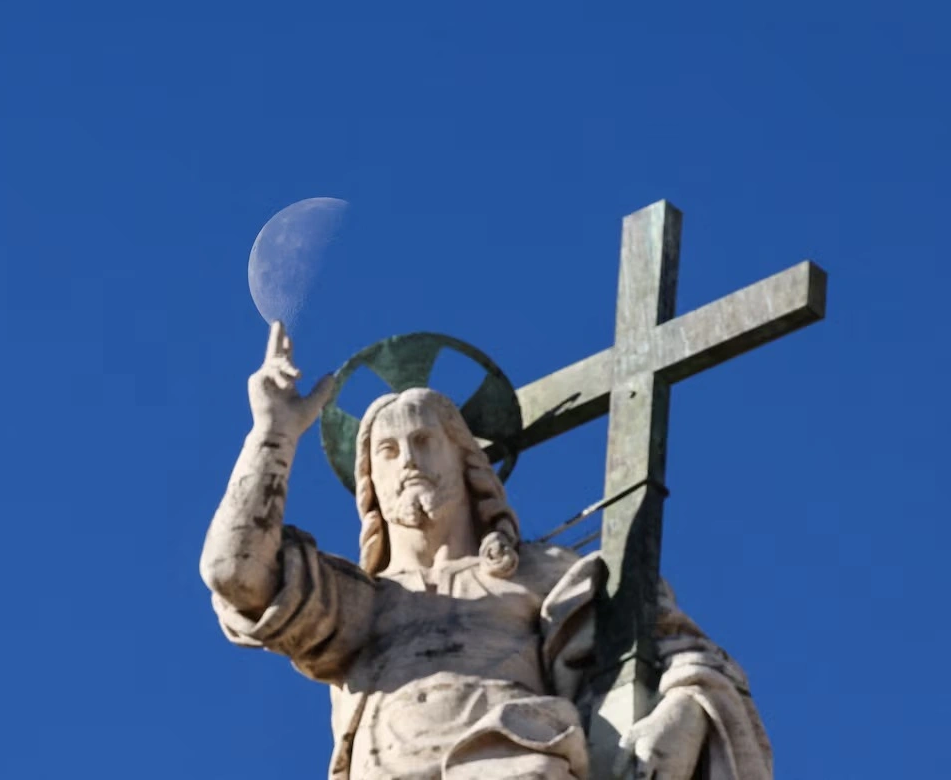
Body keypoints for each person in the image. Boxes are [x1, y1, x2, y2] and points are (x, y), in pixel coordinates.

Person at [200, 322, 771, 780]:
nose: (409, 461)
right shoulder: (364, 603)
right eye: (389, 452)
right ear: (370, 485)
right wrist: (273, 435)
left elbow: (678, 653)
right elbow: (233, 571)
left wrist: (681, 712)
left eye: (425, 441)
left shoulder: (542, 573)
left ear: (466, 462)